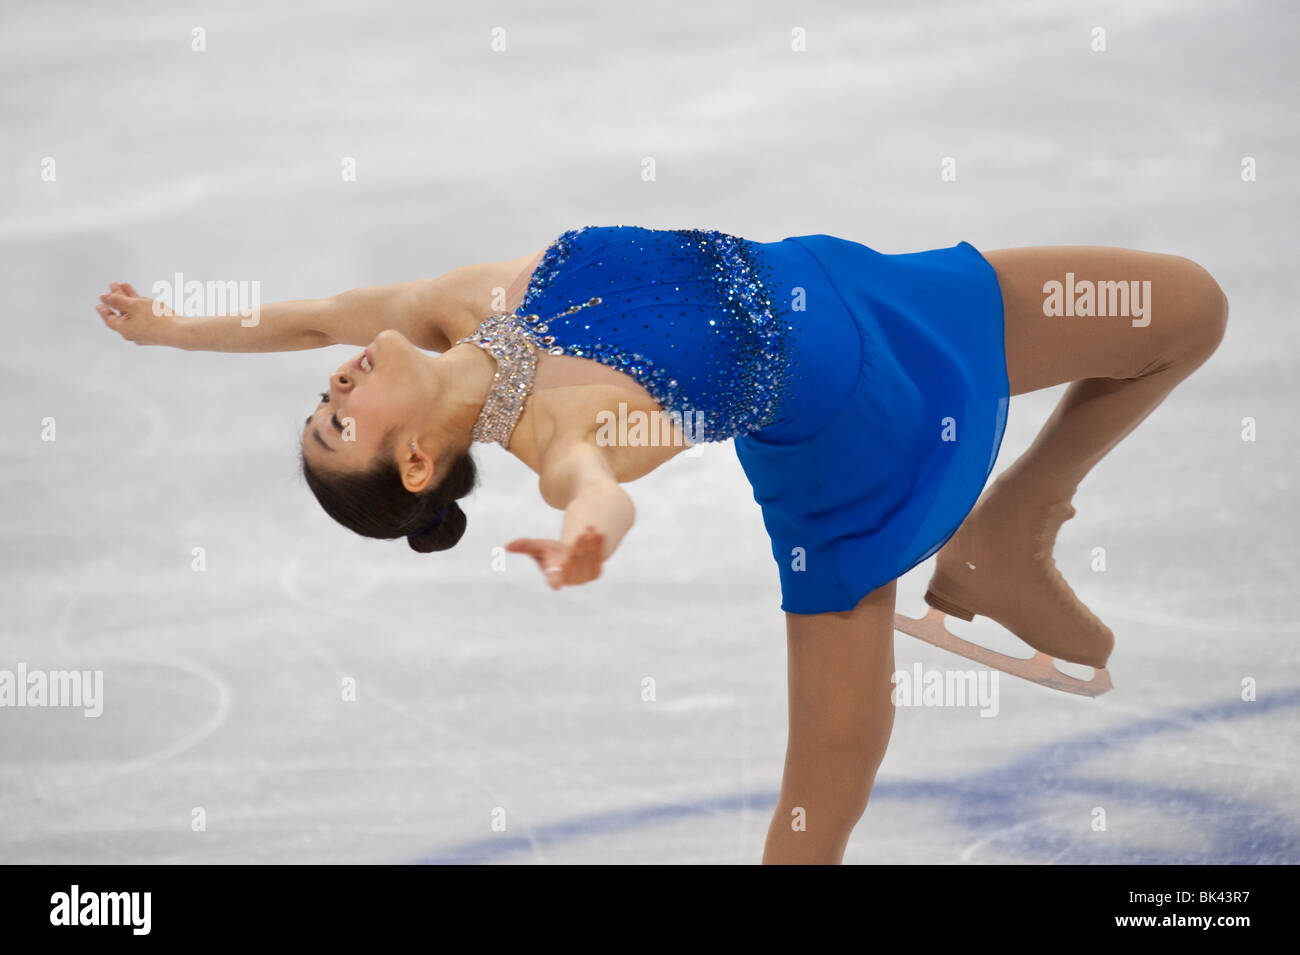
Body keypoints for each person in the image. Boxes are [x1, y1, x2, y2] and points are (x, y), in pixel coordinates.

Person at [97, 225, 1228, 864]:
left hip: (870, 288)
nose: (333, 385)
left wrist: (172, 331)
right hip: (847, 432)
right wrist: (585, 531)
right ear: (415, 467)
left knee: (1184, 310)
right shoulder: (556, 430)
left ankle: (1014, 527)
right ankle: (988, 543)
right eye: (336, 424)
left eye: (320, 404)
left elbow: (318, 313)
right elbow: (596, 486)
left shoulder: (462, 306)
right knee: (821, 799)